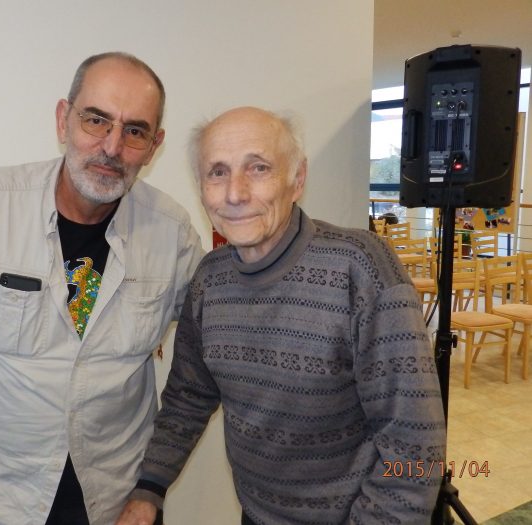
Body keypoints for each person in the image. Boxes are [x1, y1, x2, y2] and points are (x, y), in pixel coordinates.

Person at [0, 52, 203, 525]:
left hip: (115, 500)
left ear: (154, 146)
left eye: (135, 131)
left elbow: (206, 359)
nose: (112, 147)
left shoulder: (172, 233)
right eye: (96, 120)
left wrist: (151, 490)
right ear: (62, 119)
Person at [117, 107, 446, 525]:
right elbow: (189, 397)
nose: (235, 193)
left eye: (258, 168)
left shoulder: (361, 267)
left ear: (298, 179)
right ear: (201, 188)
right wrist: (150, 488)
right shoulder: (209, 280)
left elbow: (415, 445)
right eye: (217, 172)